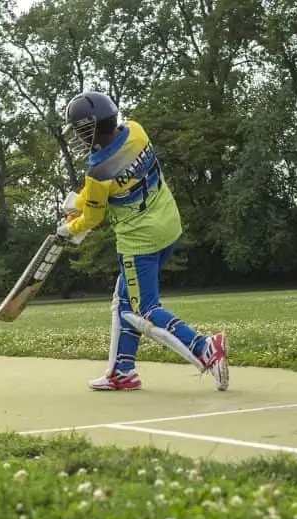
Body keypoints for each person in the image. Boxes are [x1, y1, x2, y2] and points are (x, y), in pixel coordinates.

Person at [58, 91, 228, 392]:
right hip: (168, 227)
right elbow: (109, 186)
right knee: (123, 299)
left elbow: (93, 218)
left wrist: (70, 229)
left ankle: (204, 347)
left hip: (139, 244)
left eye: (80, 130)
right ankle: (122, 371)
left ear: (89, 130)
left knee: (143, 309)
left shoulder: (98, 172)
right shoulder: (136, 131)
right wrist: (78, 202)